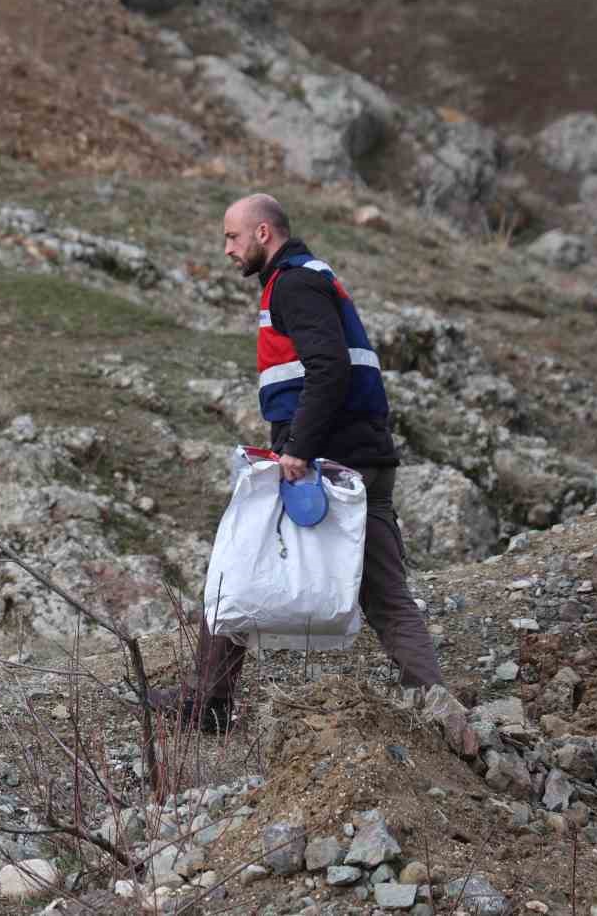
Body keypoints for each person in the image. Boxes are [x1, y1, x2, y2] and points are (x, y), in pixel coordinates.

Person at [150, 192, 445, 733]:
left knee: (235, 570)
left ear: (264, 234)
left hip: (332, 461)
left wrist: (298, 449)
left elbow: (328, 368)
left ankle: (208, 706)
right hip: (365, 457)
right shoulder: (311, 276)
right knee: (387, 596)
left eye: (232, 237)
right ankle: (438, 708)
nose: (226, 250)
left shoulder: (293, 283)